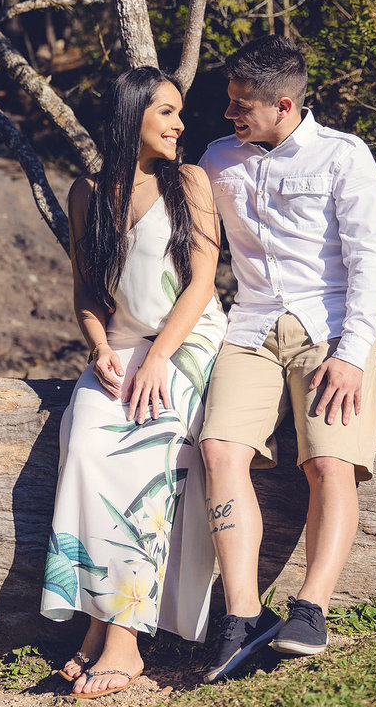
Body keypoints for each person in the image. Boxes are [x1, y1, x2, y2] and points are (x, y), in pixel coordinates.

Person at [195, 35, 376, 683]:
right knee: (220, 450)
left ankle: (311, 608)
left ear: (284, 104)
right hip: (249, 324)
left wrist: (354, 355)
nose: (230, 116)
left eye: (240, 106)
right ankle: (244, 617)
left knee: (329, 462)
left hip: (329, 328)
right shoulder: (218, 160)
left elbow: (369, 265)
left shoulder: (345, 158)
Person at [40, 66, 227, 699]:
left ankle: (123, 641)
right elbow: (87, 292)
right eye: (167, 113)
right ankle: (97, 623)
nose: (181, 124)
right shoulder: (86, 193)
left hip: (186, 339)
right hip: (119, 345)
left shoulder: (191, 183)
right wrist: (100, 348)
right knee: (87, 445)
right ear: (133, 118)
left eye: (179, 113)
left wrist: (158, 360)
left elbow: (203, 283)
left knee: (147, 446)